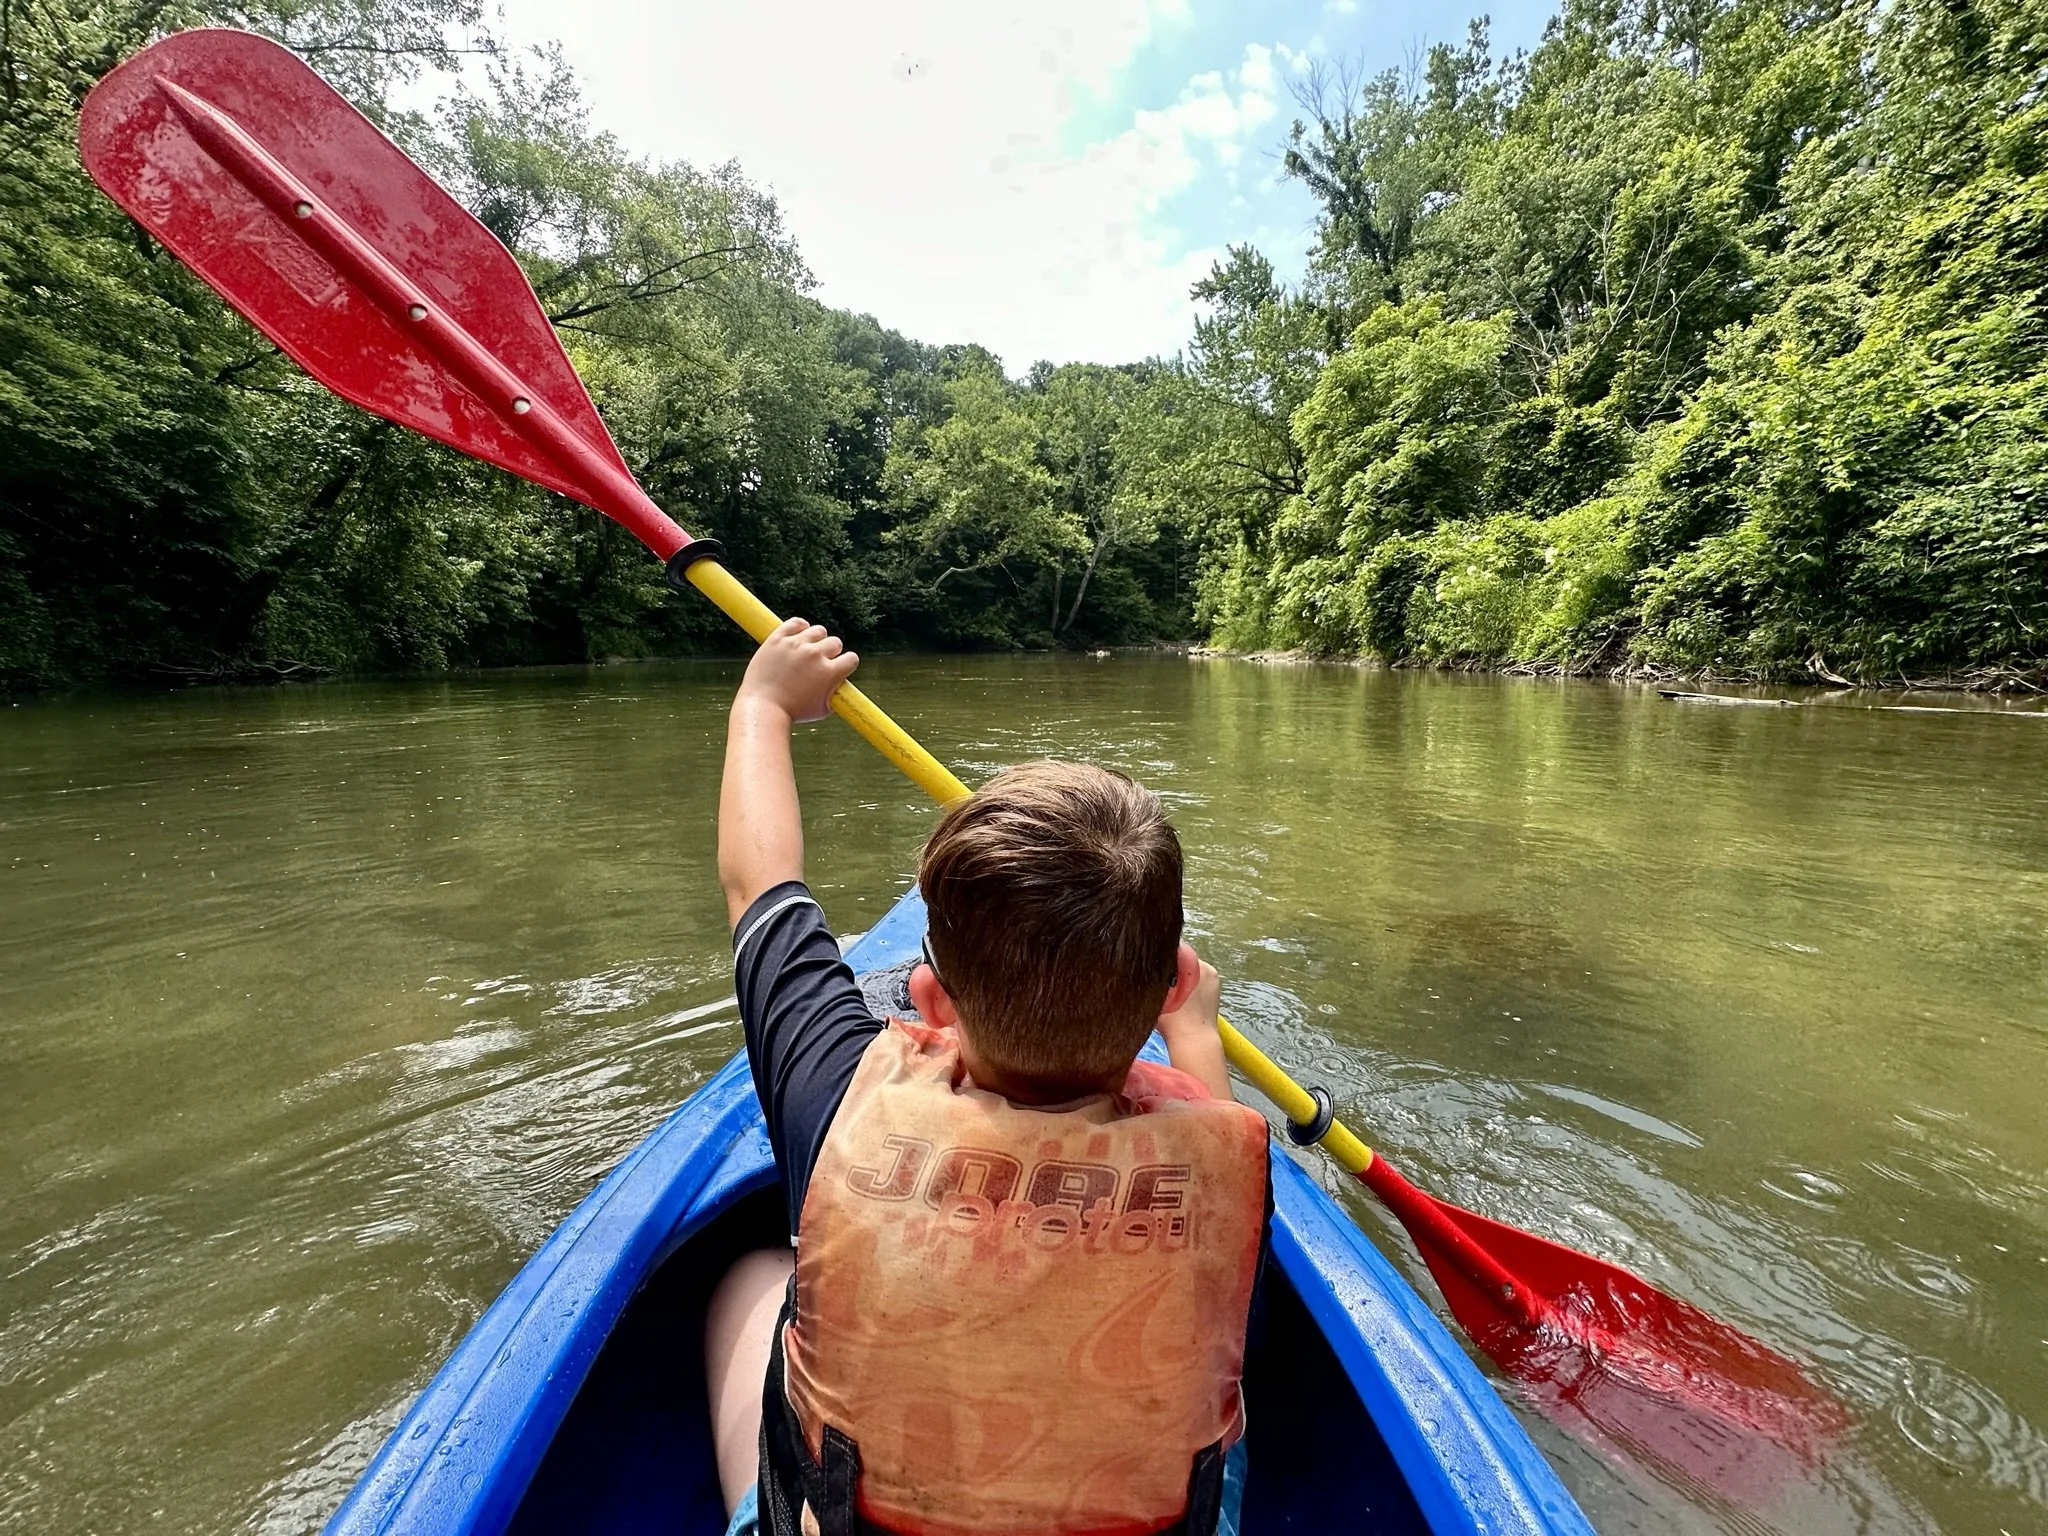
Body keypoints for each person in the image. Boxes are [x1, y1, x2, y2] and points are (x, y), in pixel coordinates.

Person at [705, 617, 1270, 1536]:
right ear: (1173, 984)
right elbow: (1207, 1117)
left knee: (754, 1277)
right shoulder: (1220, 1167)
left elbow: (760, 889)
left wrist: (763, 705)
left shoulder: (838, 1091)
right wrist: (1195, 1033)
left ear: (929, 1001)